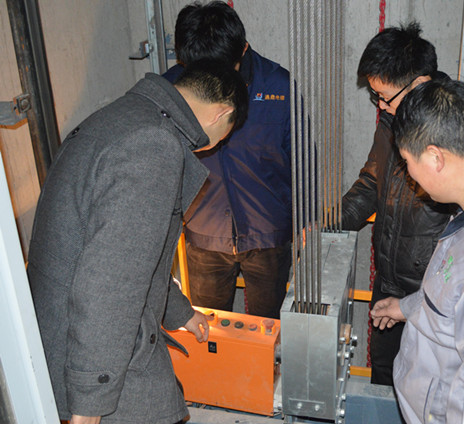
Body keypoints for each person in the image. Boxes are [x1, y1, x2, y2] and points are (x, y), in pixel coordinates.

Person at [27, 60, 248, 424]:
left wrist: (180, 312)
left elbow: (135, 255)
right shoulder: (153, 146)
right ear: (221, 113)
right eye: (224, 136)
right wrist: (91, 400)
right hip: (103, 356)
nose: (215, 147)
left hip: (63, 335)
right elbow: (112, 282)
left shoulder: (120, 117)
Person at [370, 79, 464, 424]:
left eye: (407, 161)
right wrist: (407, 307)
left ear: (435, 157)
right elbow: (449, 301)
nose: (409, 175)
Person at [341, 22, 455, 385]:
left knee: (424, 384)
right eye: (374, 96)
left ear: (419, 83)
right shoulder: (392, 121)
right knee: (385, 371)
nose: (381, 105)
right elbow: (371, 183)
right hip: (389, 279)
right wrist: (330, 222)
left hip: (431, 291)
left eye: (385, 96)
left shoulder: (455, 128)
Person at [164, 1, 292, 319]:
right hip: (203, 235)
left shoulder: (278, 87)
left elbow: (303, 161)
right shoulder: (171, 91)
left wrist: (307, 222)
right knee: (207, 328)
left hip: (267, 235)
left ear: (242, 51)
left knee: (268, 331)